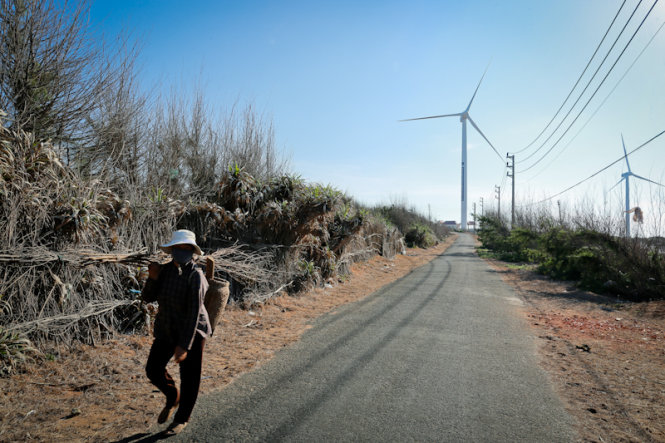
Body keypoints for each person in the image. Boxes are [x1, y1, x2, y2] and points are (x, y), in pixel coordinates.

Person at [142, 229, 211, 436]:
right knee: (153, 369)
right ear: (172, 249)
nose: (181, 251)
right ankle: (173, 396)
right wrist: (152, 278)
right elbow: (147, 298)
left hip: (192, 331)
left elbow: (193, 313)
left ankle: (181, 419)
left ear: (192, 251)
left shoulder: (195, 275)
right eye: (178, 247)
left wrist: (184, 346)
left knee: (190, 377)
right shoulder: (163, 271)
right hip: (167, 327)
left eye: (186, 248)